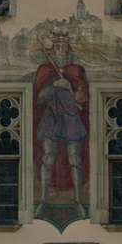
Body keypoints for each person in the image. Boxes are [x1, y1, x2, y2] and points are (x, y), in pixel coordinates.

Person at [33, 28, 90, 207]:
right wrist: (55, 84)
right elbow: (38, 97)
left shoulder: (77, 70)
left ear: (68, 49)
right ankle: (44, 199)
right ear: (53, 50)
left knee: (75, 157)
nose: (61, 51)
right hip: (52, 117)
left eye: (64, 47)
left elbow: (84, 97)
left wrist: (73, 89)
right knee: (48, 156)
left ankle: (78, 199)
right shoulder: (44, 70)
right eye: (57, 47)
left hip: (71, 117)